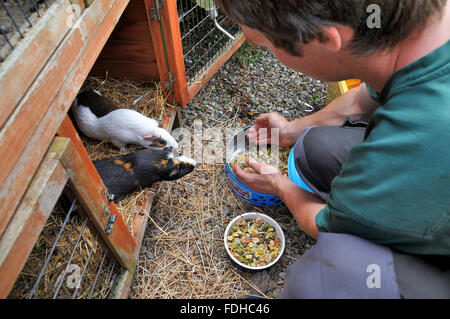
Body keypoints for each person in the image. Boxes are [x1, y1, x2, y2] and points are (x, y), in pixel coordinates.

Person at [215, 0, 450, 298]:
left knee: (335, 272)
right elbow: (361, 101)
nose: (272, 55)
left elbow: (327, 226)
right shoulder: (411, 34)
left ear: (326, 38)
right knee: (314, 145)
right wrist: (288, 131)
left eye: (269, 48)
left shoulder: (419, 136)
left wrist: (278, 184)